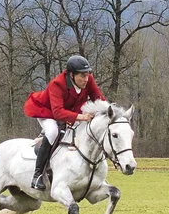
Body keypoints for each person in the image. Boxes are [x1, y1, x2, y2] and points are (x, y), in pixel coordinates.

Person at [22, 54, 106, 192]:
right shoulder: (57, 84)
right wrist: (82, 117)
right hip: (47, 111)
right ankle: (37, 175)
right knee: (53, 132)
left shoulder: (88, 79)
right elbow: (58, 113)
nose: (86, 79)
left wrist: (109, 111)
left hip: (69, 111)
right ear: (71, 75)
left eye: (87, 75)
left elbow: (99, 99)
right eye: (82, 76)